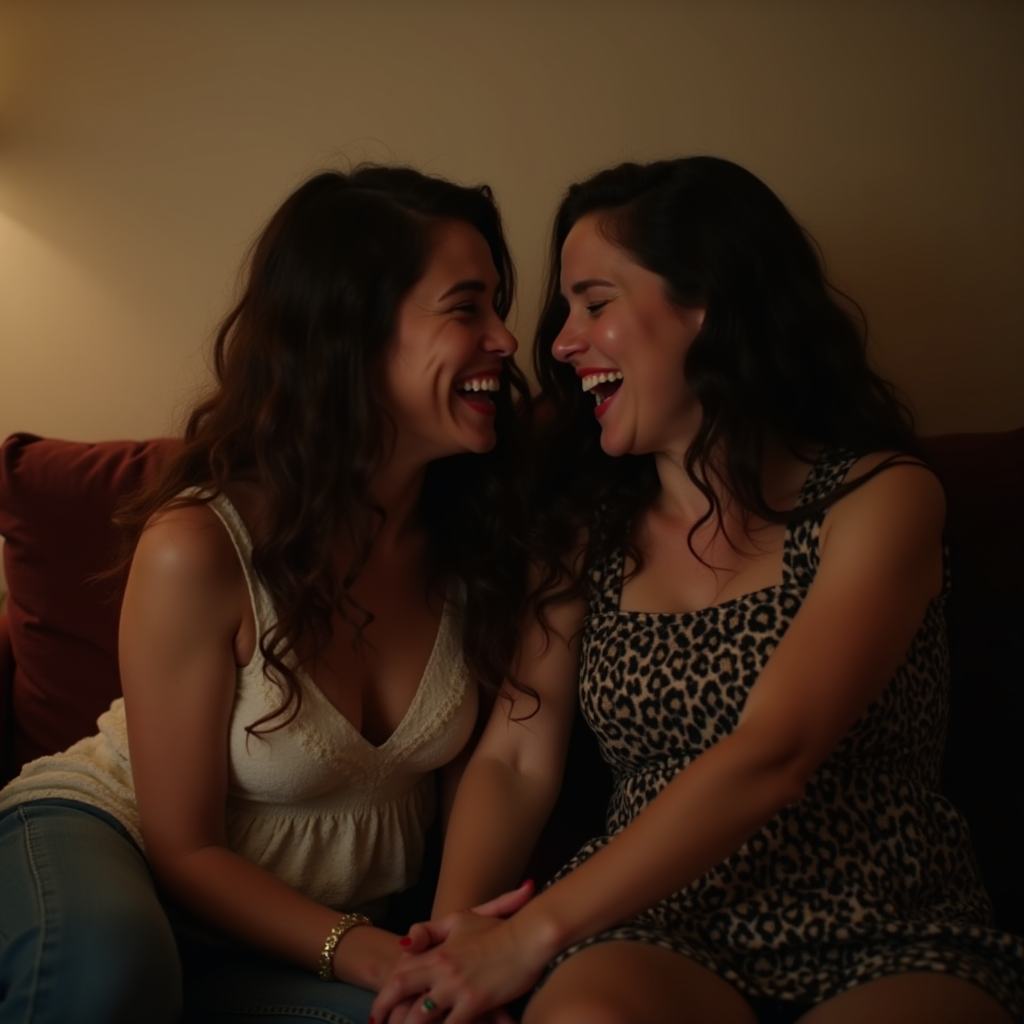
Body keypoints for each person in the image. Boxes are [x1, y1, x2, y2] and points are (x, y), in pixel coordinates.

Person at [371, 157, 1024, 1024]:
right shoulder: (582, 530)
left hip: (886, 922)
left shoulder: (880, 498)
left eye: (595, 304)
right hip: (650, 926)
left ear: (708, 304)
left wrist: (528, 939)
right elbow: (515, 756)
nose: (562, 343)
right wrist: (452, 944)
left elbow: (774, 752)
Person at [0, 165, 534, 1024]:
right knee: (110, 977)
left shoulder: (487, 539)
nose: (507, 340)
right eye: (467, 307)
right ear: (351, 333)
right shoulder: (200, 547)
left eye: (499, 305)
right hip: (119, 850)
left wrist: (441, 960)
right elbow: (184, 847)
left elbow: (503, 776)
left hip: (295, 947)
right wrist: (381, 956)